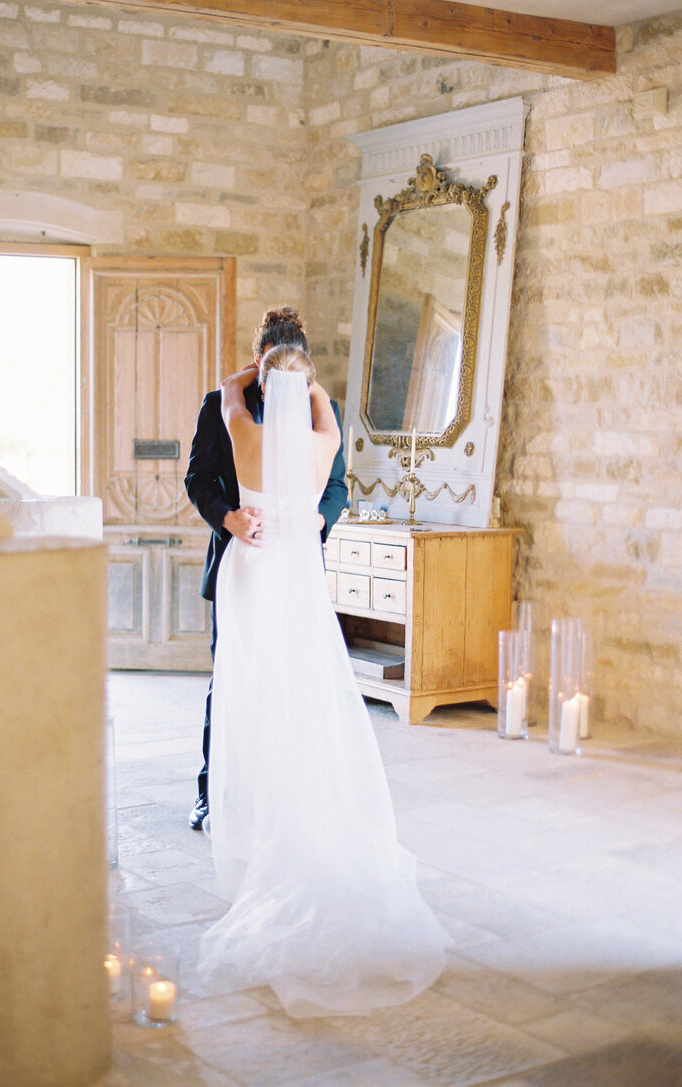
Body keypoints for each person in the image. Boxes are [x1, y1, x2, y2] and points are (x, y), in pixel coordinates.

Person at [198, 346, 449, 1017]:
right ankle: (277, 798)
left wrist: (257, 373)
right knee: (296, 686)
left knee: (258, 690)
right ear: (306, 386)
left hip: (254, 573)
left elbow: (230, 390)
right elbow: (209, 478)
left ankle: (265, 808)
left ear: (261, 380)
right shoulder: (325, 429)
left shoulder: (240, 426)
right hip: (292, 571)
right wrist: (304, 383)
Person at [184, 308, 347, 831]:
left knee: (291, 678)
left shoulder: (317, 411)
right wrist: (228, 518)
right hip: (244, 558)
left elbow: (339, 487)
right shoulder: (220, 410)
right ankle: (213, 792)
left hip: (294, 564)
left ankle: (284, 791)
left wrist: (316, 519)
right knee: (230, 678)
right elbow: (199, 479)